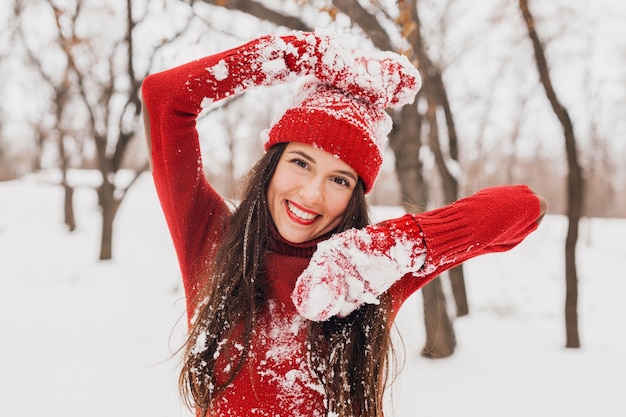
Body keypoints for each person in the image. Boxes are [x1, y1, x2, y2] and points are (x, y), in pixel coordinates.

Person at [141, 30, 548, 417]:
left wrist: (383, 251)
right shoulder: (212, 238)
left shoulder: (369, 276)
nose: (312, 194)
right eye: (300, 163)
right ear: (272, 164)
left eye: (339, 179)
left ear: (355, 195)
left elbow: (525, 207)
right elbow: (165, 97)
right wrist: (298, 54)